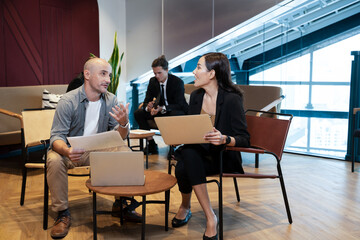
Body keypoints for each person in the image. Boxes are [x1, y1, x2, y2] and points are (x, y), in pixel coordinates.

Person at [47, 57, 140, 239]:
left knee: (124, 152)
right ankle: (62, 213)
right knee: (53, 159)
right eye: (103, 74)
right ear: (87, 75)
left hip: (97, 151)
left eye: (110, 75)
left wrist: (124, 124)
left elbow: (117, 138)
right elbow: (56, 136)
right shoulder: (68, 101)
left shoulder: (111, 100)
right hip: (70, 151)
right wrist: (67, 151)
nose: (108, 79)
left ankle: (120, 204)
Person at [172, 52, 250, 240]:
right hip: (198, 154)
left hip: (223, 157)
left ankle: (188, 208)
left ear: (212, 74)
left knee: (183, 165)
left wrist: (225, 138)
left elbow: (244, 139)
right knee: (188, 155)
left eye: (198, 67)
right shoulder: (197, 96)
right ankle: (209, 216)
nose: (194, 72)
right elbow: (193, 130)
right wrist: (179, 136)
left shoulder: (232, 99)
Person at [134, 55, 188, 154]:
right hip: (159, 110)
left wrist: (162, 108)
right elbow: (146, 100)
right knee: (138, 113)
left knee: (174, 115)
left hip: (173, 110)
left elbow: (180, 104)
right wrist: (148, 107)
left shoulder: (177, 82)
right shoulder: (153, 81)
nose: (157, 76)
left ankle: (173, 147)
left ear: (167, 70)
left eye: (159, 73)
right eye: (155, 73)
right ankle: (151, 143)